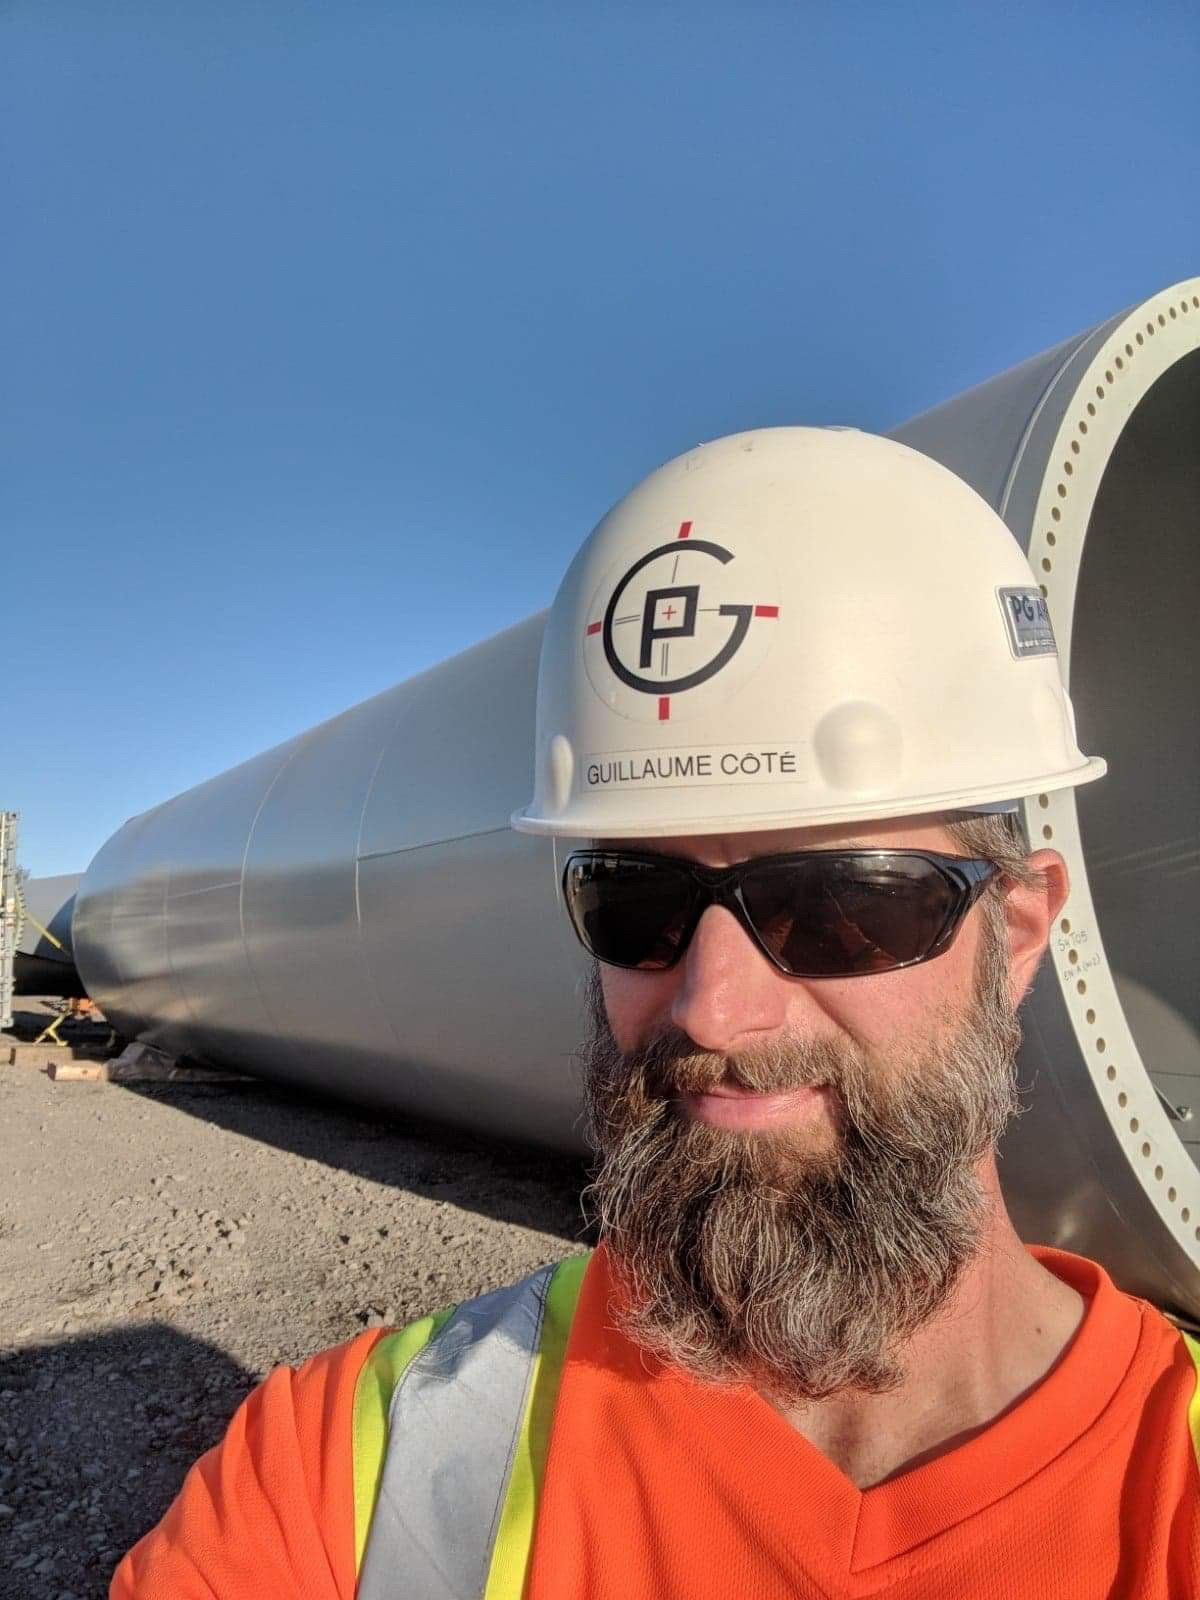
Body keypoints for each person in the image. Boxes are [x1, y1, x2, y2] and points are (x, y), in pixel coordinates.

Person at [111, 429, 1200, 1599]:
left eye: (838, 903)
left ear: (1020, 931)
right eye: (639, 900)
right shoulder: (343, 1472)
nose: (711, 1006)